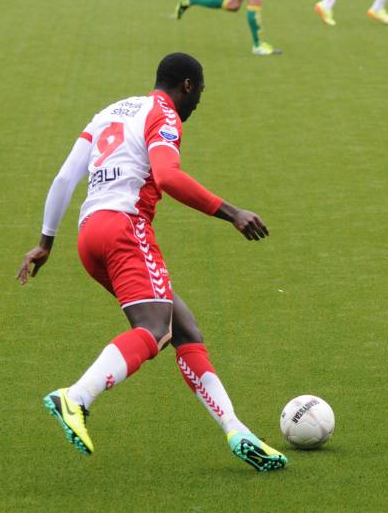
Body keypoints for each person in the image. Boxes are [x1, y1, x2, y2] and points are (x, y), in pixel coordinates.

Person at [17, 53, 287, 471]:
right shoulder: (163, 115)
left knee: (184, 329)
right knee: (155, 330)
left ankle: (237, 430)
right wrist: (232, 213)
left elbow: (65, 178)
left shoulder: (109, 112)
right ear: (186, 86)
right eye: (199, 93)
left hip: (90, 236)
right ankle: (76, 396)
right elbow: (167, 177)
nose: (197, 103)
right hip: (126, 229)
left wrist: (45, 242)